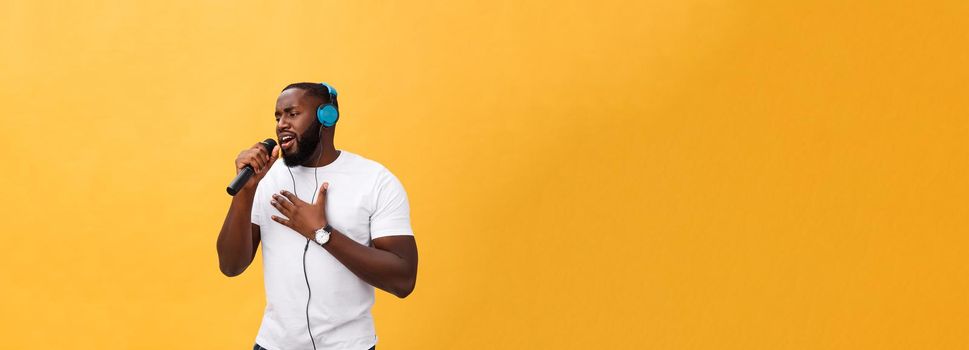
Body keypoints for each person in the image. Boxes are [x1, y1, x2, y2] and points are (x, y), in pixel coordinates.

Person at [216, 82, 418, 350]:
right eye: (278, 116)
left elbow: (403, 280)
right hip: (273, 345)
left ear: (327, 117)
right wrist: (246, 193)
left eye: (292, 113)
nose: (281, 124)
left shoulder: (375, 180)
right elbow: (231, 266)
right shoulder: (265, 179)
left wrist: (322, 234)